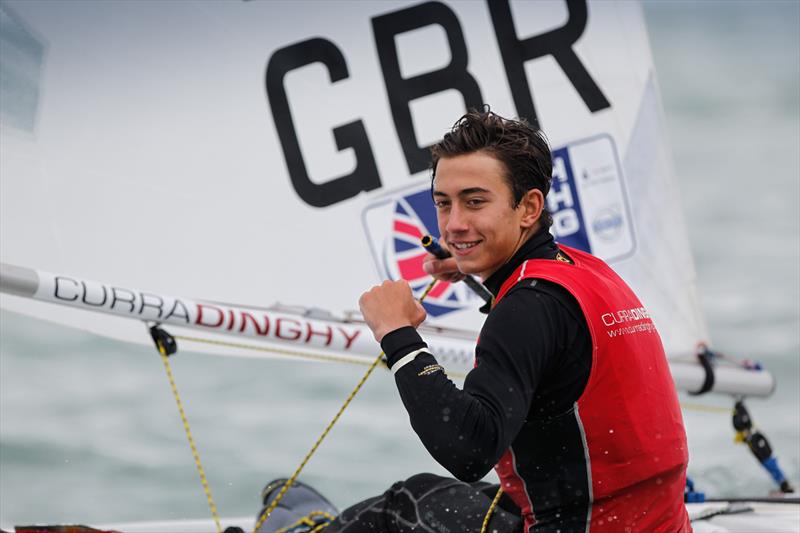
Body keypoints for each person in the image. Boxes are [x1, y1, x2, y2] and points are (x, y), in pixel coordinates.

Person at [259, 109, 691, 532]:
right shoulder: (583, 271)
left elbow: (468, 449)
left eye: (475, 202)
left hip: (581, 522)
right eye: (443, 205)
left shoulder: (527, 309)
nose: (454, 225)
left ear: (528, 207)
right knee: (479, 498)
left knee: (406, 503)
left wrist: (398, 335)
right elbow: (550, 342)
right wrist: (475, 271)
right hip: (653, 520)